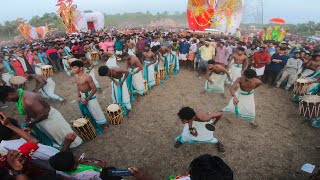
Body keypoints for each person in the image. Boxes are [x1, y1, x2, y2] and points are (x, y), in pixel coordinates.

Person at [0, 86, 82, 149]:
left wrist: (32, 123)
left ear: (9, 94)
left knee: (62, 133)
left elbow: (44, 114)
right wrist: (28, 118)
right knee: (55, 135)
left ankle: (73, 145)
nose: (9, 101)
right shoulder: (20, 97)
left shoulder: (29, 100)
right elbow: (27, 110)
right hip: (41, 120)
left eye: (7, 99)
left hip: (49, 119)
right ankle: (66, 145)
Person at [70, 60, 107, 132]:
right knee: (88, 111)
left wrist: (87, 99)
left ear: (80, 68)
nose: (73, 69)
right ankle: (94, 123)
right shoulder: (76, 76)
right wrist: (78, 95)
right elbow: (78, 85)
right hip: (82, 96)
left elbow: (94, 89)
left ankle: (103, 124)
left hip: (90, 96)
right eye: (72, 68)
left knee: (96, 110)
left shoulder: (87, 77)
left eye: (74, 68)